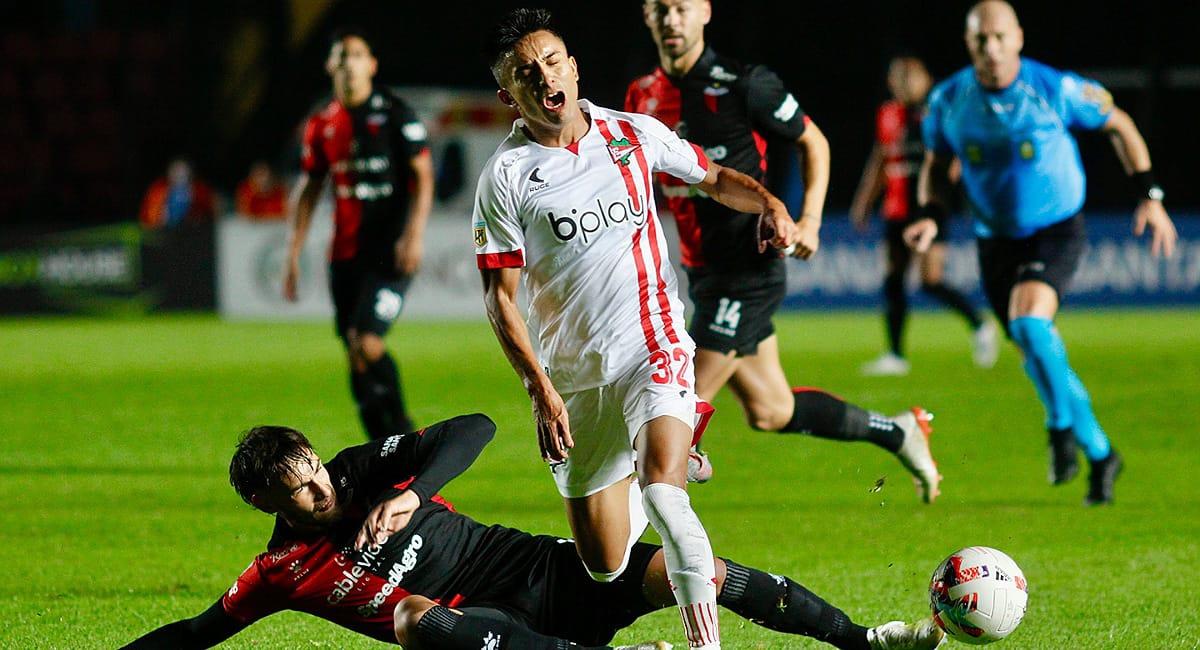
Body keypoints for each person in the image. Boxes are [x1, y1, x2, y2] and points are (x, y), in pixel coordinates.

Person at [473, 8, 810, 649]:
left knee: (665, 496)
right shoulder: (506, 177)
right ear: (509, 96)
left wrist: (769, 202)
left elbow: (713, 178)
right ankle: (654, 454)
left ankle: (703, 642)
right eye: (525, 74)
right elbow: (501, 300)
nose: (544, 77)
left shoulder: (631, 133)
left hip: (653, 344)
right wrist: (541, 391)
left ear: (573, 68)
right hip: (575, 377)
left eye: (551, 62)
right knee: (605, 563)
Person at [122, 415, 944, 649]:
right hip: (486, 630)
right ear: (267, 504)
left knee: (706, 574)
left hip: (547, 572)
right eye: (297, 489)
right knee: (410, 619)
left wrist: (413, 493)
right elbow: (196, 631)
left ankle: (863, 640)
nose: (318, 487)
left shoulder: (363, 469)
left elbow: (473, 429)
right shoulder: (281, 570)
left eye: (311, 468)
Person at [626, 0, 940, 502]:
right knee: (771, 411)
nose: (672, 20)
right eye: (661, 9)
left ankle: (633, 527)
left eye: (682, 8)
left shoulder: (745, 84)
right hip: (702, 272)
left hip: (749, 270)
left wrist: (810, 220)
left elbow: (814, 142)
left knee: (672, 404)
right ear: (647, 16)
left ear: (705, 11)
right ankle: (897, 431)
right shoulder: (642, 95)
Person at [907, 0, 1178, 505]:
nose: (992, 49)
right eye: (981, 40)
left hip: (1055, 229)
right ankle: (1101, 453)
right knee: (1036, 353)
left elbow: (1119, 125)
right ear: (968, 44)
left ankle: (1058, 429)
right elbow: (936, 165)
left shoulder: (1055, 88)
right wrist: (931, 215)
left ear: (1018, 38)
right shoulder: (948, 101)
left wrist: (1150, 195)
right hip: (995, 240)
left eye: (1000, 37)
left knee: (1030, 324)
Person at [284, 27, 435, 440]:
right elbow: (310, 188)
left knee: (367, 342)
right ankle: (378, 445)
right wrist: (293, 254)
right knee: (353, 352)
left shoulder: (395, 114)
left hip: (390, 252)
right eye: (342, 56)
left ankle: (405, 433)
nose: (349, 63)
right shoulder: (322, 124)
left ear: (371, 65)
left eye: (357, 54)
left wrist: (414, 235)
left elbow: (423, 177)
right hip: (345, 255)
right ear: (330, 66)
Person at [850, 55, 996, 376]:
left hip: (928, 207)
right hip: (896, 208)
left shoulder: (935, 111)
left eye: (910, 77)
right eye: (897, 77)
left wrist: (953, 192)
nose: (903, 83)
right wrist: (864, 202)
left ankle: (979, 324)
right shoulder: (887, 114)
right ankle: (895, 355)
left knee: (930, 281)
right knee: (893, 278)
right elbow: (880, 159)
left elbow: (954, 155)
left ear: (925, 79)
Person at [138, 157, 216, 229]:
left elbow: (209, 211)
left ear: (190, 173)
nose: (178, 174)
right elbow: (148, 215)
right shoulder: (158, 190)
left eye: (182, 170)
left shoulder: (200, 191)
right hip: (164, 230)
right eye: (175, 170)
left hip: (192, 231)